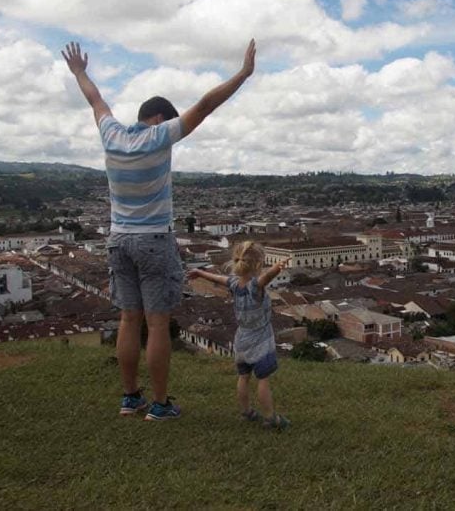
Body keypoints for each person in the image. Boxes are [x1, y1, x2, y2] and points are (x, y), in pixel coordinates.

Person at [62, 38, 256, 421]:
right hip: (153, 240)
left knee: (128, 320)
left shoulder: (112, 134)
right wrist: (243, 74)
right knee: (157, 323)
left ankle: (130, 397)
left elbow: (96, 100)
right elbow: (204, 105)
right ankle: (161, 404)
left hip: (118, 240)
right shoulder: (159, 135)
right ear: (157, 119)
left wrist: (80, 71)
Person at [189, 242, 290, 430]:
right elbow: (266, 278)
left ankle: (246, 412)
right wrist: (277, 268)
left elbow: (219, 278)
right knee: (263, 379)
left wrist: (200, 273)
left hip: (241, 339)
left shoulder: (235, 284)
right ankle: (270, 418)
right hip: (260, 339)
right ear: (259, 263)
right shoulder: (254, 287)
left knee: (243, 377)